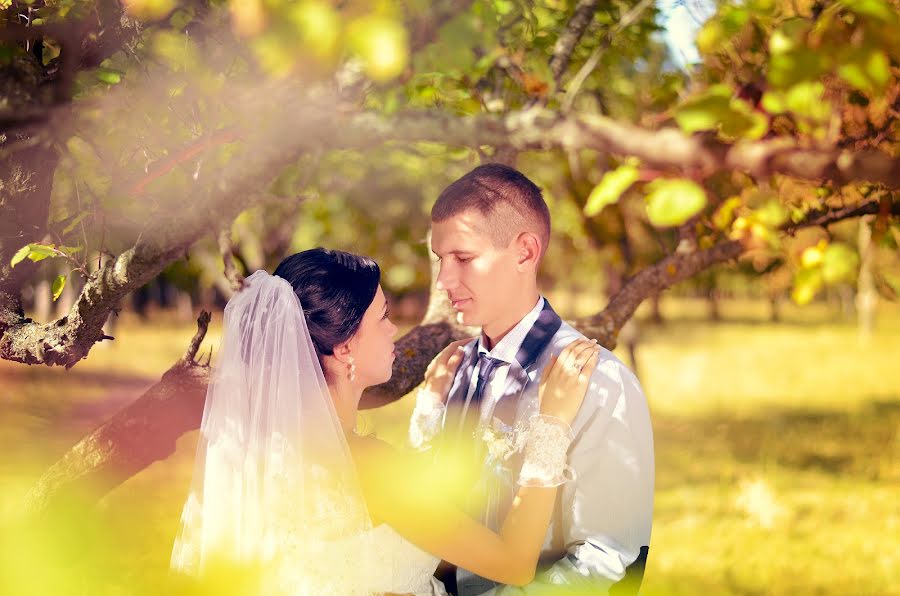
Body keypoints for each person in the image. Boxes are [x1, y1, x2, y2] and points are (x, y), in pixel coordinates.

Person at [170, 247, 600, 595]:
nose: (395, 330)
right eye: (382, 317)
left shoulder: (252, 451)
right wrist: (551, 424)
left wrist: (430, 413)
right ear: (343, 349)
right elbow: (514, 562)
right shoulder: (370, 466)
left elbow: (384, 521)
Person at [411, 164, 654, 595]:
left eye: (463, 258)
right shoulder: (451, 372)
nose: (445, 280)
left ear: (525, 252)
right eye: (440, 260)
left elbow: (609, 563)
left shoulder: (599, 383)